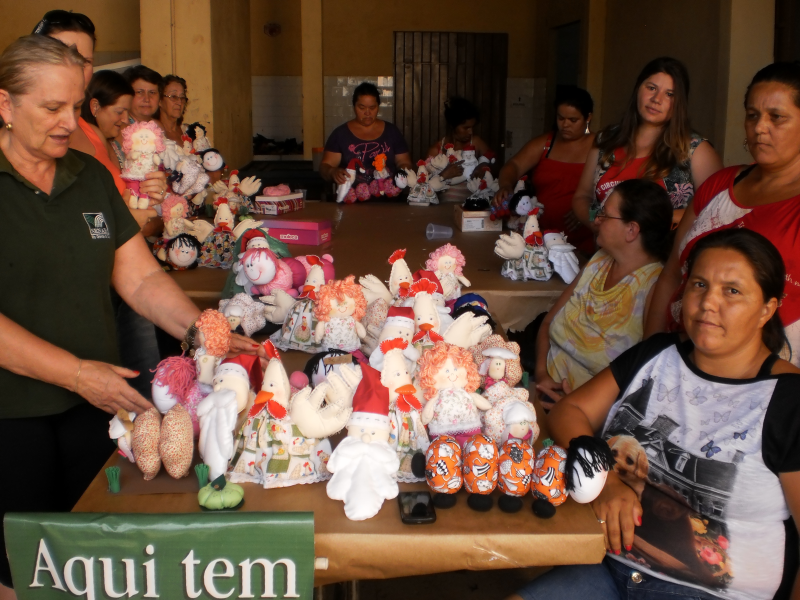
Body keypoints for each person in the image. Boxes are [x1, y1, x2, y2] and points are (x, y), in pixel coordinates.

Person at [0, 36, 261, 597]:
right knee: (21, 570)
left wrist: (200, 329)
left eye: (75, 107)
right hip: (12, 414)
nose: (68, 123)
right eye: (52, 108)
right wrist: (76, 373)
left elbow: (139, 278)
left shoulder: (88, 177)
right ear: (5, 105)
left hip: (97, 404)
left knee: (93, 558)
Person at [513, 228, 800, 600]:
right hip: (605, 565)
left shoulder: (788, 400)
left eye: (732, 291)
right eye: (699, 284)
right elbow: (570, 410)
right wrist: (606, 479)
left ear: (767, 309)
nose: (708, 302)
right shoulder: (658, 354)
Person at [646, 62, 800, 368]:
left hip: (768, 372)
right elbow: (672, 274)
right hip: (680, 356)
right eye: (752, 115)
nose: (759, 127)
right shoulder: (719, 184)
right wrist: (648, 356)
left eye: (776, 117)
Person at [534, 179, 673, 409]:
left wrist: (574, 408)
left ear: (631, 230)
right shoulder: (599, 260)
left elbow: (642, 378)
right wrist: (541, 376)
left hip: (587, 414)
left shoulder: (653, 288)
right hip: (544, 389)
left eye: (605, 215)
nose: (597, 220)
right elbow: (548, 322)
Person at [33, 10, 166, 235]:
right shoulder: (22, 142)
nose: (73, 68)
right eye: (59, 56)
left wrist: (148, 190)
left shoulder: (94, 134)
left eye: (84, 61)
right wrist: (120, 225)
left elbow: (127, 213)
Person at [571, 57, 722, 230]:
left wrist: (648, 221)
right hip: (605, 246)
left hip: (667, 248)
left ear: (680, 102)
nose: (656, 99)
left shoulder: (696, 150)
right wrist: (594, 219)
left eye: (669, 94)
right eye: (651, 88)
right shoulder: (605, 140)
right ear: (638, 88)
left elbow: (716, 210)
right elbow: (582, 197)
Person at [494, 86, 596, 255]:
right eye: (561, 118)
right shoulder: (546, 143)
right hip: (541, 238)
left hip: (584, 241)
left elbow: (612, 192)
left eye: (573, 120)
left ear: (588, 118)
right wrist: (505, 185)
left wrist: (587, 212)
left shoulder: (599, 146)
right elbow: (514, 165)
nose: (565, 125)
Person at [320, 82, 412, 202]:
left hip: (389, 203)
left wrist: (401, 176)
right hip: (352, 203)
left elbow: (404, 162)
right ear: (354, 106)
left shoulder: (392, 132)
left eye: (372, 108)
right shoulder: (340, 134)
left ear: (378, 107)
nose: (367, 113)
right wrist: (332, 172)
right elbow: (325, 166)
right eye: (362, 108)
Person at [426, 97, 493, 203]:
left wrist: (484, 166)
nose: (470, 132)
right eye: (466, 128)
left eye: (472, 127)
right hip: (443, 207)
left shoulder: (476, 143)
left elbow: (495, 164)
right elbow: (425, 187)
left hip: (472, 206)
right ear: (452, 125)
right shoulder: (436, 150)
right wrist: (443, 175)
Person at [157, 74, 188, 144]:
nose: (179, 102)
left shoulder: (188, 132)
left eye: (182, 97)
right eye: (173, 97)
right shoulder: (152, 134)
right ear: (160, 101)